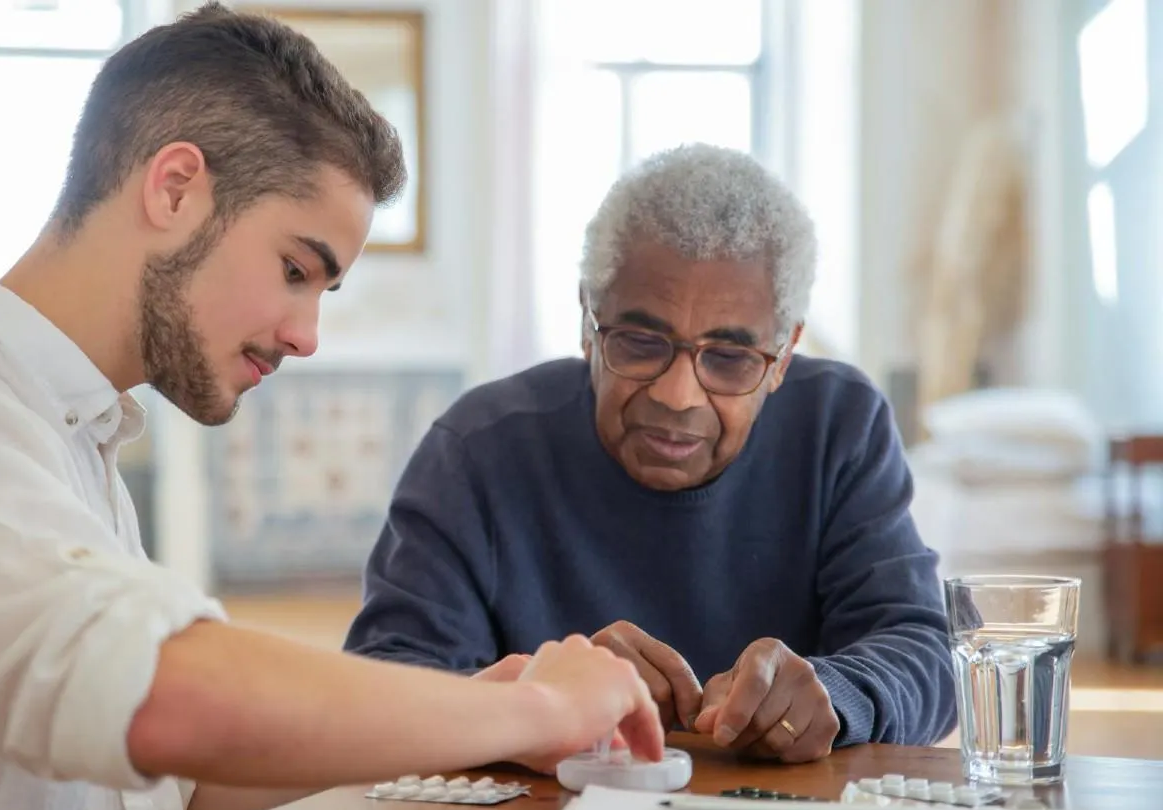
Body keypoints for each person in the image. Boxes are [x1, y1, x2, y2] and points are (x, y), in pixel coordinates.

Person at [0, 6, 664, 810]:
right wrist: (533, 710)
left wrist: (471, 710)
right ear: (175, 188)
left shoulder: (62, 432)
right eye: (298, 269)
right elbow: (165, 696)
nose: (307, 334)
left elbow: (158, 800)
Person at [344, 143, 957, 765]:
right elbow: (384, 689)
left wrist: (839, 690)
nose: (677, 394)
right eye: (640, 342)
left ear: (784, 354)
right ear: (588, 321)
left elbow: (925, 653)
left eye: (730, 358)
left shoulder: (839, 426)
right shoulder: (479, 449)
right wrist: (540, 698)